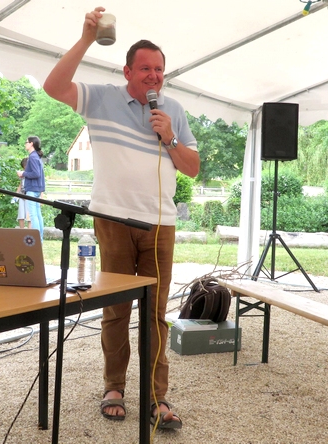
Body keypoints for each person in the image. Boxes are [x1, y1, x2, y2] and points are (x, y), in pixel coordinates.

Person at [43, 6, 200, 431]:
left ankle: (157, 396)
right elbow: (53, 86)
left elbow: (192, 167)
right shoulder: (102, 97)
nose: (153, 76)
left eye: (159, 70)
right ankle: (114, 386)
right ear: (127, 70)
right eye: (145, 68)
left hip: (159, 225)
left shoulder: (174, 111)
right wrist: (85, 39)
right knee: (115, 310)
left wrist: (168, 138)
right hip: (111, 220)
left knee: (156, 313)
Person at [18, 136, 45, 240]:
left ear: (31, 144)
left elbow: (36, 173)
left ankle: (38, 240)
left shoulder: (32, 157)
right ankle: (40, 239)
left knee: (34, 217)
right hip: (37, 189)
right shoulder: (36, 156)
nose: (25, 144)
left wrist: (23, 173)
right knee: (38, 215)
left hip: (32, 189)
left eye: (26, 142)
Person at [15, 157, 32, 229]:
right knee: (21, 215)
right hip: (22, 195)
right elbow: (20, 185)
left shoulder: (32, 174)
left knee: (29, 216)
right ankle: (22, 231)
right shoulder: (22, 175)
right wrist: (15, 195)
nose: (24, 168)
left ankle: (29, 232)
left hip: (29, 196)